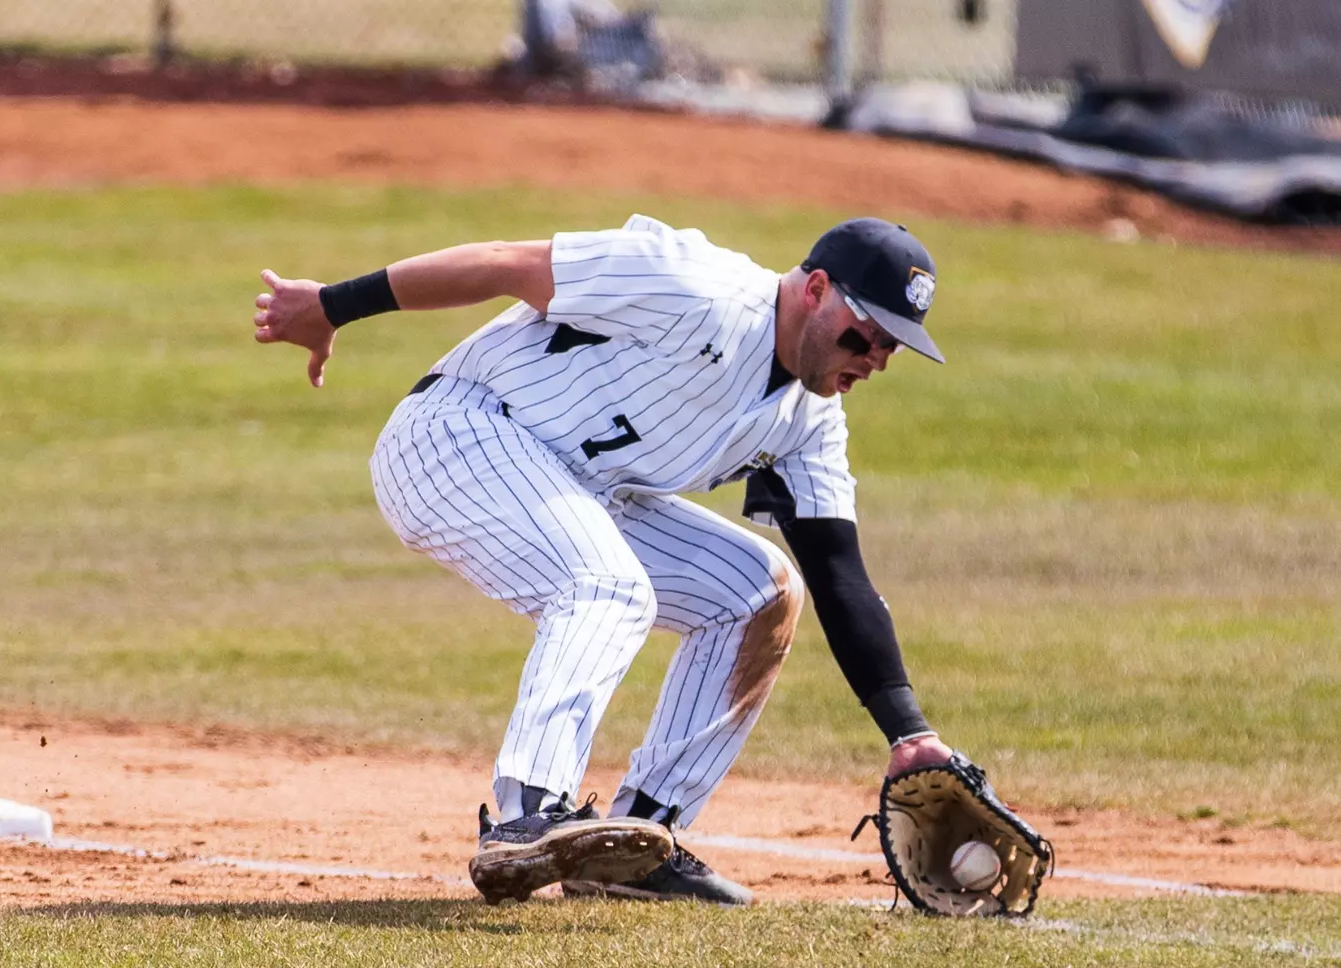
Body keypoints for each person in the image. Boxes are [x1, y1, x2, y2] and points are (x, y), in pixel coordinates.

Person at [253, 214, 956, 906]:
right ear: (816, 290)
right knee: (608, 586)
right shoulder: (695, 285)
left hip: (579, 488)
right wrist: (330, 306)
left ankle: (637, 843)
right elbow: (504, 261)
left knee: (758, 593)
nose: (876, 357)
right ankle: (527, 816)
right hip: (454, 434)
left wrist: (911, 735)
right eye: (867, 332)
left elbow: (840, 575)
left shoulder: (809, 421)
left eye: (894, 346)